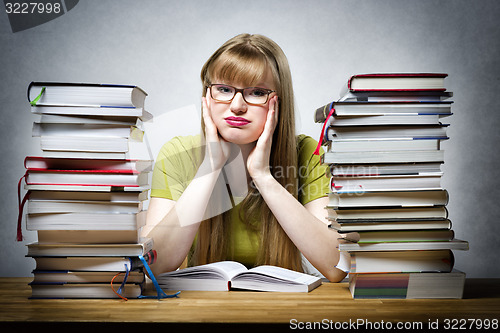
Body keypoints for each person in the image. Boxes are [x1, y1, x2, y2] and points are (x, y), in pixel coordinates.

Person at [143, 33, 347, 282]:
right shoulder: (176, 155)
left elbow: (336, 266)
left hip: (284, 309)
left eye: (257, 92)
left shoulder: (306, 153)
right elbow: (152, 265)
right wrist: (210, 167)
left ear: (279, 101)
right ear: (207, 98)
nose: (237, 105)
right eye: (224, 89)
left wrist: (263, 177)